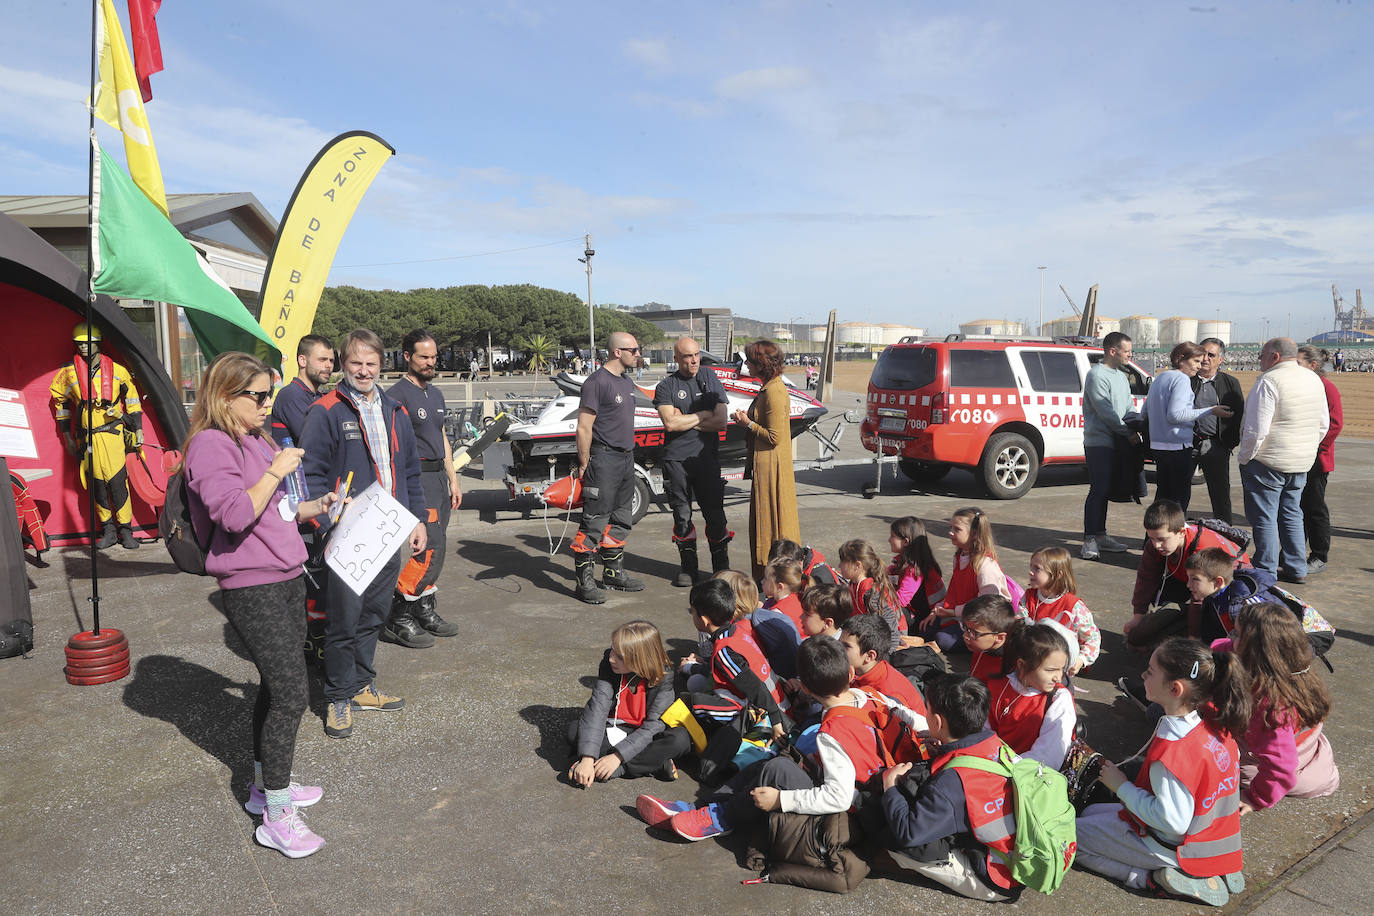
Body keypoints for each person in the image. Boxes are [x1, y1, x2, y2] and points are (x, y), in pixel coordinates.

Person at [180, 352, 340, 858]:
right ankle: (275, 814)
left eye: (269, 393)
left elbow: (276, 511)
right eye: (258, 395)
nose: (268, 404)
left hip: (287, 574)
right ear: (225, 396)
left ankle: (265, 787)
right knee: (293, 695)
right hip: (252, 585)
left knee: (277, 687)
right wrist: (275, 470)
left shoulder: (255, 437)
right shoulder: (210, 444)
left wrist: (316, 506)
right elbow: (232, 514)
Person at [636, 635, 892, 842]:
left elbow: (840, 797)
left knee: (777, 768)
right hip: (864, 783)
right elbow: (911, 717)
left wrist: (781, 800)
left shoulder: (832, 733)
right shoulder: (871, 696)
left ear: (806, 688)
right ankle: (702, 807)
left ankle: (720, 819)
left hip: (851, 808)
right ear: (850, 673)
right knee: (772, 758)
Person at [301, 329, 427, 739]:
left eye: (372, 363)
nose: (364, 370)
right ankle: (338, 695)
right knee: (344, 619)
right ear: (342, 363)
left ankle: (361, 685)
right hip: (347, 533)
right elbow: (310, 475)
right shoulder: (325, 410)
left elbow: (410, 470)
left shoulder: (395, 410)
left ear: (381, 364)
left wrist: (418, 519)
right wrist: (326, 521)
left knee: (374, 614)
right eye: (356, 363)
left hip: (389, 531)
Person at [1075, 638, 1249, 907]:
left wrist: (1120, 786)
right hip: (1211, 834)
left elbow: (1172, 822)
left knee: (1068, 840)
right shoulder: (1218, 723)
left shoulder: (1173, 753)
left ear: (1175, 688)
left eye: (1150, 671)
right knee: (1089, 813)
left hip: (1175, 845)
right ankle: (1217, 864)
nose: (1143, 675)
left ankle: (1148, 878)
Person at [879, 675, 1022, 903]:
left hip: (994, 878)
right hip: (1019, 859)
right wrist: (946, 751)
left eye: (926, 710)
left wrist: (891, 787)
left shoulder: (950, 784)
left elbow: (909, 833)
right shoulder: (997, 744)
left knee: (898, 843)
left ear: (936, 721)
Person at [383, 330, 462, 647]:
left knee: (437, 550)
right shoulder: (396, 396)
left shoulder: (436, 394)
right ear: (406, 357)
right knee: (430, 551)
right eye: (423, 357)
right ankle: (397, 615)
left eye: (433, 357)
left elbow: (441, 435)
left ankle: (424, 610)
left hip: (439, 479)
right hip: (416, 480)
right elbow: (390, 447)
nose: (431, 362)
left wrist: (452, 476)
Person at [1220, 602, 1339, 812]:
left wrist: (1253, 798)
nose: (1230, 638)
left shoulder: (1272, 708)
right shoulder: (1289, 669)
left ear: (1256, 651)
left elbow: (1281, 768)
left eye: (1236, 635)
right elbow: (1223, 647)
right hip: (1299, 750)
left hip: (1274, 772)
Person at [1238, 338, 1328, 583]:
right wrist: (1306, 449)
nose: (1260, 360)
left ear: (1275, 356)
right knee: (1292, 513)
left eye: (1262, 355)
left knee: (1264, 516)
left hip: (1268, 460)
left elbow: (1257, 428)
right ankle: (1296, 567)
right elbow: (1323, 424)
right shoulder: (1314, 379)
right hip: (1300, 461)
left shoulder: (1269, 381)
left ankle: (1265, 567)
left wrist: (1245, 457)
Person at [48, 321, 142, 549]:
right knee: (97, 485)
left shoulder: (118, 371)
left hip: (113, 435)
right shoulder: (68, 374)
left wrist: (138, 430)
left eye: (87, 343)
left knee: (119, 483)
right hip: (87, 439)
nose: (83, 348)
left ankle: (126, 531)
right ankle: (108, 530)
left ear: (98, 343)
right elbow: (60, 404)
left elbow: (133, 403)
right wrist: (67, 437)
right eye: (79, 344)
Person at [569, 332, 647, 604]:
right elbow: (584, 427)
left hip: (626, 458)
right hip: (603, 459)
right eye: (634, 350)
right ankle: (584, 582)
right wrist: (584, 462)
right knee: (594, 520)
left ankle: (613, 573)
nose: (638, 354)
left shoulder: (626, 383)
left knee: (621, 518)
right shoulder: (596, 382)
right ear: (617, 352)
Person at [567, 621, 689, 785]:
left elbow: (654, 725)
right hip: (614, 727)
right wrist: (588, 758)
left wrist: (618, 757)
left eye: (620, 656)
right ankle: (653, 764)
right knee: (575, 730)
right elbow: (597, 708)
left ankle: (619, 768)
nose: (611, 658)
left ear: (641, 659)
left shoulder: (663, 675)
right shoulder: (609, 665)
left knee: (680, 740)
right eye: (612, 649)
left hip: (645, 734)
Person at [652, 336, 731, 586]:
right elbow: (670, 423)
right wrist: (703, 414)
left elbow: (720, 421)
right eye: (687, 356)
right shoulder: (666, 386)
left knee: (715, 516)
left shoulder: (709, 377)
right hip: (676, 460)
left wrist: (688, 418)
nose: (694, 360)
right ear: (676, 359)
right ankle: (689, 569)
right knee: (682, 516)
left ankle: (721, 569)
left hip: (706, 459)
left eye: (696, 354)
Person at [1124, 500, 1246, 650]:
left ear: (1181, 532)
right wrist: (1139, 615)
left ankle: (1196, 626)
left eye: (1162, 539)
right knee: (1137, 637)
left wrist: (1193, 637)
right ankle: (1183, 621)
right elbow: (1146, 577)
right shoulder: (1156, 545)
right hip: (1189, 582)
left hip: (1223, 591)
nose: (1156, 545)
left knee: (1211, 644)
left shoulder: (1202, 549)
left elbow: (1198, 598)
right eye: (1152, 538)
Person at [731, 340, 799, 580]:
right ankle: (769, 578)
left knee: (772, 524)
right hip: (766, 467)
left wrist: (746, 423)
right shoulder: (769, 388)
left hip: (772, 469)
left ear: (761, 364)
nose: (746, 364)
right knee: (765, 524)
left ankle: (775, 579)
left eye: (749, 360)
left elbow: (774, 437)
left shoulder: (775, 392)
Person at [1144, 342, 1233, 510]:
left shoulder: (1161, 377)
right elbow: (1176, 415)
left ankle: (1153, 535)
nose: (1199, 366)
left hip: (1159, 446)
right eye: (1196, 361)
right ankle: (1173, 534)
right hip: (1177, 446)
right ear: (1180, 359)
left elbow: (1145, 410)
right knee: (1178, 501)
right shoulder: (1181, 379)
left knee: (1162, 497)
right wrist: (1211, 410)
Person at [1081, 331, 1140, 560]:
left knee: (1107, 490)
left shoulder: (1122, 376)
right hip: (1099, 442)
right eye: (1127, 352)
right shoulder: (1097, 375)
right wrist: (1127, 432)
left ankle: (1101, 535)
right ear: (1112, 351)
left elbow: (1128, 408)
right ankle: (1089, 539)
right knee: (1098, 489)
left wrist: (1136, 426)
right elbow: (1105, 411)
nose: (1130, 355)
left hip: (1118, 440)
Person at [985, 622, 1076, 770]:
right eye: (1051, 670)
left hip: (1030, 776)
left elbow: (1050, 755)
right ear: (1021, 664)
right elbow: (983, 731)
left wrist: (1006, 766)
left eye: (1062, 670)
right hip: (994, 765)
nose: (1058, 678)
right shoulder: (997, 686)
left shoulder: (1058, 699)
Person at [919, 508, 1011, 652]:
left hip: (981, 622)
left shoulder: (985, 565)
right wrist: (938, 608)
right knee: (925, 629)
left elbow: (989, 606)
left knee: (942, 639)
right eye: (951, 527)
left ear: (974, 533)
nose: (950, 532)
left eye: (957, 529)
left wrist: (953, 612)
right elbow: (955, 591)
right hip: (962, 615)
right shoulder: (960, 556)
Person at [1296, 344, 1342, 576]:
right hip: (1297, 455)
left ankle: (1319, 555)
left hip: (1317, 458)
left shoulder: (1327, 388)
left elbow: (1335, 424)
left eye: (1299, 363)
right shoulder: (1301, 385)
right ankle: (1294, 552)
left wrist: (1315, 448)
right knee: (1295, 507)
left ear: (1313, 365)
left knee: (1314, 507)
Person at [1190, 338, 1244, 523]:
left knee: (1220, 496)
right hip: (1186, 445)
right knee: (1175, 494)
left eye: (1211, 355)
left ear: (1220, 360)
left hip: (1216, 446)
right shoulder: (1186, 381)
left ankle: (1226, 540)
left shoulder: (1230, 383)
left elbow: (1239, 416)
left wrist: (1229, 443)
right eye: (1202, 353)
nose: (1205, 358)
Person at [1023, 546, 1101, 674]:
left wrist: (1080, 660)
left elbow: (1092, 638)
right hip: (1031, 662)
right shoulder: (1028, 597)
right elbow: (1020, 623)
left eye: (1037, 568)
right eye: (1031, 567)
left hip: (1059, 669)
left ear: (1058, 575)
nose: (1030, 572)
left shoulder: (1074, 606)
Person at [841, 613, 927, 715]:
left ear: (870, 656)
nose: (837, 648)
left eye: (846, 646)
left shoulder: (888, 696)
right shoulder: (861, 672)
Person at [838, 538, 907, 653]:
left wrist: (887, 654)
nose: (839, 565)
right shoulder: (853, 584)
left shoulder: (870, 592)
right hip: (872, 630)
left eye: (843, 561)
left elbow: (889, 624)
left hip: (893, 637)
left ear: (857, 565)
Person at [269, 334, 335, 446]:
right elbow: (317, 440)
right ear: (302, 361)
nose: (329, 365)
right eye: (322, 359)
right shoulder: (291, 394)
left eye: (331, 361)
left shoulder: (319, 397)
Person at [888, 516, 946, 628]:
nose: (889, 540)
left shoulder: (914, 569)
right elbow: (890, 572)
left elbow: (901, 600)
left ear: (905, 542)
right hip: (929, 613)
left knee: (887, 610)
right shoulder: (915, 561)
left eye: (892, 536)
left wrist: (879, 597)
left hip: (926, 618)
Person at [960, 595, 1018, 686]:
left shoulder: (1009, 669)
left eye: (974, 633)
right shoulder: (983, 645)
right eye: (965, 628)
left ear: (999, 638)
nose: (965, 636)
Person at [760, 557, 805, 637]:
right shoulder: (799, 598)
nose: (762, 581)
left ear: (779, 587)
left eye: (766, 578)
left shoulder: (776, 614)